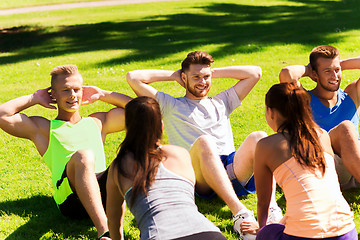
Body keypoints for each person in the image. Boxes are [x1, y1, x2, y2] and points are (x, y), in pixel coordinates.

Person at [126, 51, 282, 240]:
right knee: (205, 141)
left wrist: (212, 72)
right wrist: (175, 75)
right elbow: (133, 78)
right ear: (184, 78)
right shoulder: (170, 105)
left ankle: (271, 209)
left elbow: (255, 73)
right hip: (200, 174)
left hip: (231, 168)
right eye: (196, 77)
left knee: (259, 137)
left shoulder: (222, 101)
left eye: (206, 77)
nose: (202, 82)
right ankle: (240, 213)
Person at [0, 65, 132, 240]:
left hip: (104, 193)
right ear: (53, 94)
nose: (72, 95)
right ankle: (105, 232)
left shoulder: (97, 122)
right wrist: (35, 97)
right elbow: (3, 115)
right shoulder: (45, 129)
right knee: (83, 156)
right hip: (71, 200)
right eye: (65, 90)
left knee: (129, 158)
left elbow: (141, 111)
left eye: (76, 89)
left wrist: (103, 94)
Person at [106, 96, 228, 240]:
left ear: (127, 128)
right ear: (162, 125)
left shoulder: (119, 166)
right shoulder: (181, 154)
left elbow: (113, 220)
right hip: (209, 233)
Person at [248, 82, 357, 240]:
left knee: (266, 234)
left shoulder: (266, 145)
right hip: (347, 232)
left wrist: (262, 229)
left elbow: (263, 203)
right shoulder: (322, 135)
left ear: (271, 112)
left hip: (305, 236)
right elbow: (312, 194)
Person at [279, 45, 360, 190]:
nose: (334, 77)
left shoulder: (351, 94)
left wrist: (340, 64)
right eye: (327, 71)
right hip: (330, 165)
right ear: (314, 75)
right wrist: (308, 69)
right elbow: (287, 73)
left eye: (337, 70)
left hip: (356, 159)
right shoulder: (304, 99)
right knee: (345, 127)